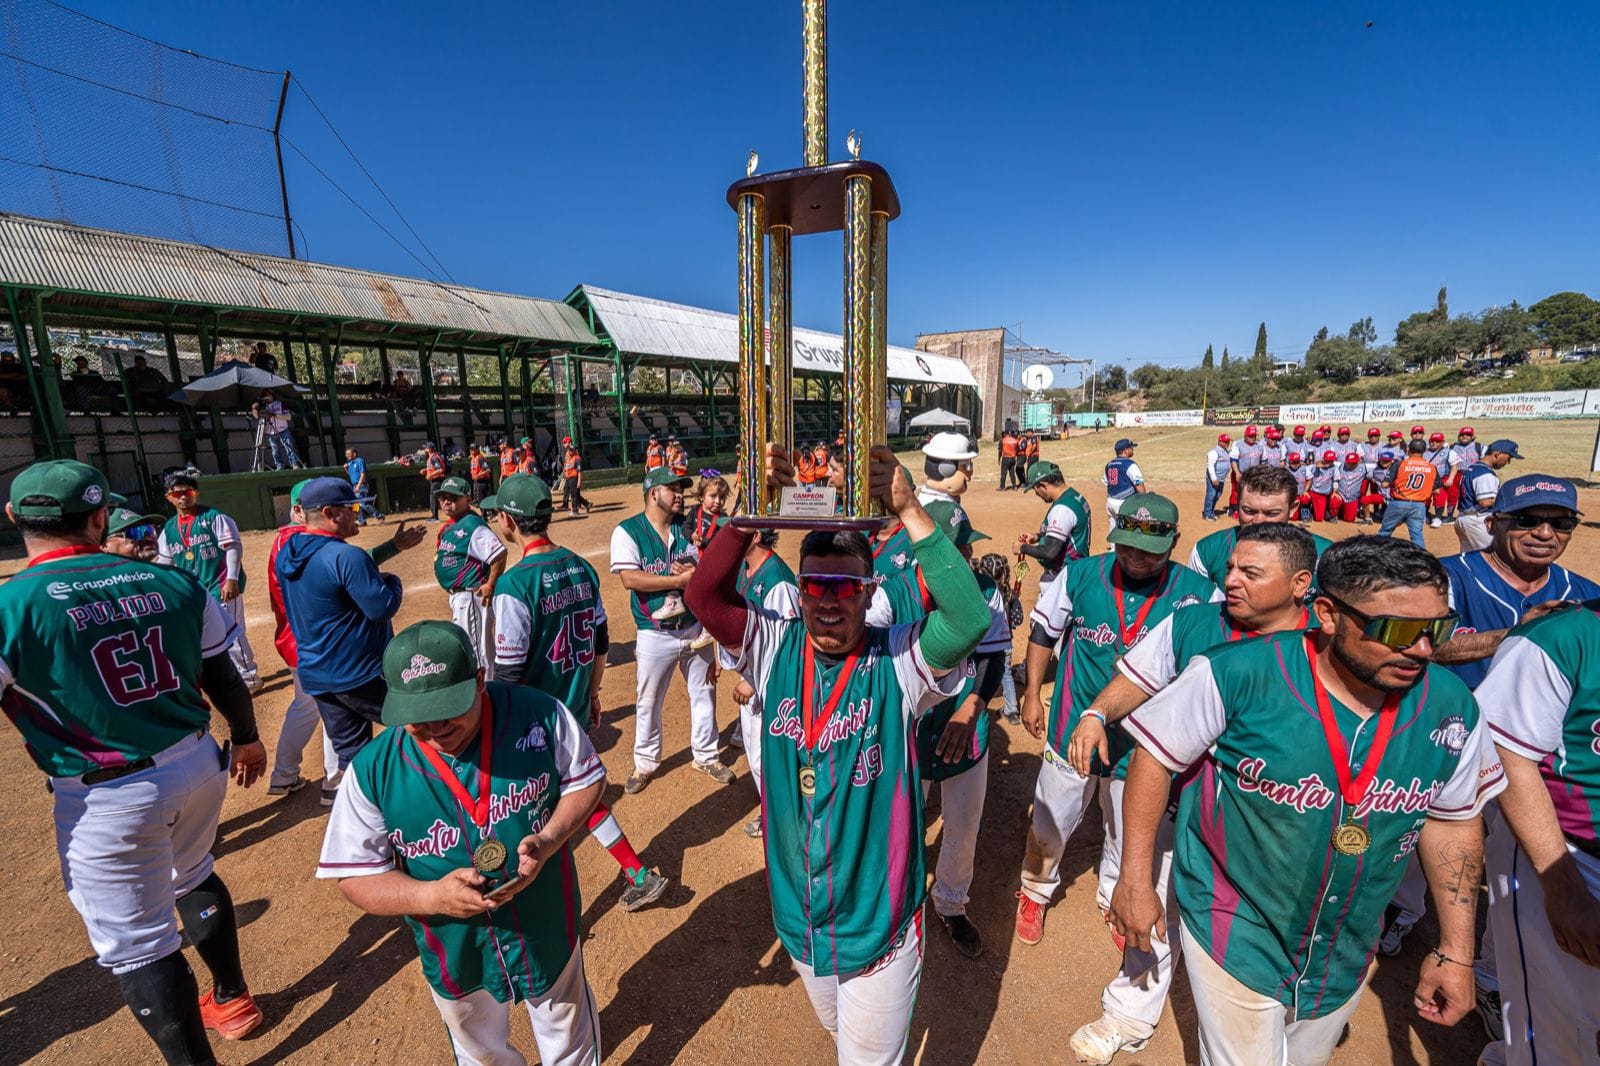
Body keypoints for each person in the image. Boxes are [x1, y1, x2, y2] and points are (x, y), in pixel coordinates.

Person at [1112, 537, 1505, 1066]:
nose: (1424, 650)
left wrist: (1457, 949)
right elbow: (1154, 758)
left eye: (1438, 629)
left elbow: (1454, 823)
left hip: (1347, 941)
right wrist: (1135, 880)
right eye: (1397, 630)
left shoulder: (1452, 706)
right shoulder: (1234, 673)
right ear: (1326, 613)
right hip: (1234, 921)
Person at [684, 444, 990, 1064]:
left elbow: (968, 619)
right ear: (798, 590)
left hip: (880, 921)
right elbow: (704, 599)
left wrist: (907, 507)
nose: (828, 600)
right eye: (815, 584)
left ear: (867, 592)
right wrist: (747, 519)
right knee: (843, 1035)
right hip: (800, 918)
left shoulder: (897, 657)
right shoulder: (774, 642)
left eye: (844, 587)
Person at [0, 459, 269, 1061]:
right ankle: (232, 997)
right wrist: (248, 736)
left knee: (141, 946)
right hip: (198, 764)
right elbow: (222, 672)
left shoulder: (11, 604)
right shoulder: (172, 581)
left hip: (106, 794)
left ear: (15, 516)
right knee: (194, 873)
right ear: (99, 517)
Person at [1061, 523, 1317, 1064]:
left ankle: (1297, 1013)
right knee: (1155, 904)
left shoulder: (1329, 640)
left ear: (1300, 584)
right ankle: (1128, 1011)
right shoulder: (1195, 622)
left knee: (1287, 922)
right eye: (1230, 570)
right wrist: (1095, 712)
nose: (1231, 582)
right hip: (1187, 806)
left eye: (1251, 573)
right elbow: (1138, 677)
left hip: (1283, 823)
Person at [317, 621, 606, 1065]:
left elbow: (586, 778)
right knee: (481, 1053)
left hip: (545, 919)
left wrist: (549, 839)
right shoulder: (373, 769)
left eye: (449, 708)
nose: (435, 728)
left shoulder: (538, 713)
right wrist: (430, 895)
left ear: (478, 682)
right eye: (418, 717)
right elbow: (355, 875)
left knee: (566, 1035)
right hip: (453, 945)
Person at [1013, 493, 1221, 947]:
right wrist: (1031, 693)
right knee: (1050, 822)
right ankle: (1035, 889)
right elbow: (1044, 633)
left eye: (1149, 551)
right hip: (1073, 725)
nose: (1135, 558)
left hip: (1145, 744)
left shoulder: (1200, 595)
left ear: (1174, 542)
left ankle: (1112, 894)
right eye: (1126, 546)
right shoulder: (1082, 575)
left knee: (1126, 829)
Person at [488, 474, 671, 912]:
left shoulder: (515, 586)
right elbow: (602, 639)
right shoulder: (579, 567)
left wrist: (500, 727)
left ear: (511, 522)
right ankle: (636, 873)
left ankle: (628, 875)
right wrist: (591, 692)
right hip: (572, 706)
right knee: (574, 796)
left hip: (535, 718)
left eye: (498, 515)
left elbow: (508, 675)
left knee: (538, 803)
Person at [1473, 598, 1600, 1066]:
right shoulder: (1561, 639)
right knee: (1568, 1040)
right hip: (1570, 856)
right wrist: (1564, 889)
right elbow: (1507, 753)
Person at [277, 477, 425, 777]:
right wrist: (392, 581)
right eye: (353, 507)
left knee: (352, 757)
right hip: (360, 674)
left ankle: (357, 814)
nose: (358, 513)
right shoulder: (346, 555)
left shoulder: (288, 552)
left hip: (318, 675)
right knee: (423, 723)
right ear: (331, 513)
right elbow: (381, 607)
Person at [915, 501, 1011, 959]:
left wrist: (973, 706)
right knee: (903, 818)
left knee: (962, 825)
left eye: (966, 549)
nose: (966, 561)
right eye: (955, 551)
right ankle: (902, 896)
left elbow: (993, 658)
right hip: (911, 729)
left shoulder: (985, 589)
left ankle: (951, 903)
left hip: (966, 727)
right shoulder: (898, 591)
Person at [610, 466, 725, 792]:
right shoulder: (628, 531)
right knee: (648, 700)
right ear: (652, 493)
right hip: (654, 630)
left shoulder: (690, 530)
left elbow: (709, 574)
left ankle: (706, 754)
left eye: (682, 489)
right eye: (672, 489)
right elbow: (630, 579)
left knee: (705, 692)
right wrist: (678, 580)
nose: (680, 494)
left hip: (693, 626)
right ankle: (645, 763)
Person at [265, 479, 344, 803]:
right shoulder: (302, 542)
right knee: (334, 706)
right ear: (299, 510)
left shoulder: (283, 541)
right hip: (314, 641)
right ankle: (335, 783)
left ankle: (284, 774)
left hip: (293, 641)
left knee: (305, 706)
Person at [722, 527, 800, 837]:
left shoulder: (778, 580)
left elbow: (789, 639)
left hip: (770, 683)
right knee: (757, 755)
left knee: (771, 755)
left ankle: (787, 822)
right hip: (754, 676)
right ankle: (775, 814)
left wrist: (753, 682)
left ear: (754, 536)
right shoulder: (745, 567)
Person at [157, 471, 260, 692]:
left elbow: (232, 547)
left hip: (220, 584)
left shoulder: (214, 517)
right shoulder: (169, 528)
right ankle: (232, 675)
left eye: (188, 492)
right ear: (168, 497)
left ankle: (249, 678)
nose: (183, 497)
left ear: (196, 493)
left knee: (230, 632)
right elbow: (165, 561)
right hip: (194, 592)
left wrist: (231, 578)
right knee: (208, 636)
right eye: (177, 494)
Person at [1187, 464, 1332, 590]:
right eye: (1249, 511)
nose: (1259, 521)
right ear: (1237, 505)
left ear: (1293, 509)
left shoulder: (1326, 555)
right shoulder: (1207, 552)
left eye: (1272, 513)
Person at [435, 477, 508, 675]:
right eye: (442, 497)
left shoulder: (472, 525)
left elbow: (499, 554)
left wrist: (491, 584)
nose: (446, 501)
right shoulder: (452, 525)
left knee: (479, 653)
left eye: (452, 497)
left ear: (467, 500)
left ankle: (488, 696)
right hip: (460, 597)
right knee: (470, 648)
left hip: (471, 596)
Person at [1016, 459, 1091, 585]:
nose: (1036, 493)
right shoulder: (1074, 496)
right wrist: (1037, 537)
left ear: (1044, 485)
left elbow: (1049, 552)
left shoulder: (1062, 509)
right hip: (1076, 572)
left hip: (1064, 579)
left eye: (1035, 489)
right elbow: (1065, 534)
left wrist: (1022, 547)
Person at [1456, 438, 1523, 552]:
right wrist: (1509, 499)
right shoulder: (1484, 474)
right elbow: (1485, 501)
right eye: (1509, 458)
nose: (1508, 463)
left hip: (1465, 519)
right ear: (1498, 454)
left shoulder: (1472, 468)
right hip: (1477, 522)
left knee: (1469, 560)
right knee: (1491, 556)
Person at [1379, 438, 1439, 543]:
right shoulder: (1432, 467)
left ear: (1408, 450)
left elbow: (1384, 484)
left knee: (1385, 532)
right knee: (1416, 535)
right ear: (1424, 451)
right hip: (1419, 506)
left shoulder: (1400, 464)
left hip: (1399, 503)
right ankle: (1421, 558)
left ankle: (1375, 556)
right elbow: (1437, 491)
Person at [918, 431, 977, 505]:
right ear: (946, 469)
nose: (968, 477)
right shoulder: (947, 510)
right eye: (967, 466)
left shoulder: (926, 499)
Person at [1103, 438, 1146, 523]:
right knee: (1128, 532)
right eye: (1131, 447)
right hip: (1124, 504)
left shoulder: (1109, 465)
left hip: (1110, 503)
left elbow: (1107, 483)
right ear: (1125, 450)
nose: (1132, 449)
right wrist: (1144, 502)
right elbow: (1139, 486)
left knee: (1113, 532)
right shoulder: (1130, 465)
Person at [684, 471, 730, 550]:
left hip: (711, 555)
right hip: (692, 552)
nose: (718, 501)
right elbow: (685, 527)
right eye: (713, 496)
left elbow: (722, 540)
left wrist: (704, 542)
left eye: (722, 497)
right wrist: (691, 535)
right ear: (702, 496)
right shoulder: (694, 510)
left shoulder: (723, 519)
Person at [259, 389, 302, 470]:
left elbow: (288, 417)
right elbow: (261, 420)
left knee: (289, 447)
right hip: (271, 431)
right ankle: (279, 466)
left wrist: (274, 415)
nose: (267, 397)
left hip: (283, 429)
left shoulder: (281, 404)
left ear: (273, 396)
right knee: (275, 450)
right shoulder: (263, 408)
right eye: (265, 396)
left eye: (269, 395)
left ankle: (294, 464)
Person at [1446, 426, 1483, 519]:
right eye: (1462, 435)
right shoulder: (1453, 446)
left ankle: (1470, 514)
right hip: (1457, 473)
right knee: (1452, 494)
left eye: (1468, 435)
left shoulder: (1479, 446)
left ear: (1472, 436)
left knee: (1470, 494)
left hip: (1473, 474)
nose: (1464, 436)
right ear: (1458, 436)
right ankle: (1450, 516)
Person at [1228, 426, 1265, 515]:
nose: (1253, 438)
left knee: (1252, 492)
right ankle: (1234, 509)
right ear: (1245, 436)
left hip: (1254, 474)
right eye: (1251, 436)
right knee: (1237, 492)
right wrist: (1237, 473)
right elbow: (1233, 460)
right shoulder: (1238, 445)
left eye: (1254, 436)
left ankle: (1249, 509)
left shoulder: (1260, 447)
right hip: (1241, 472)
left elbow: (1264, 461)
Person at [1424, 431, 1458, 527]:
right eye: (1432, 441)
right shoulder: (1425, 452)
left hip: (1441, 478)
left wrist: (1451, 479)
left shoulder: (1449, 452)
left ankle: (1438, 517)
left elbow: (1454, 466)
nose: (1434, 443)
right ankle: (1424, 515)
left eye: (1437, 441)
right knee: (1425, 498)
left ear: (1442, 442)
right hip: (1427, 478)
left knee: (1439, 498)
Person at [343, 447, 384, 525]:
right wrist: (346, 469)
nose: (346, 455)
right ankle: (362, 521)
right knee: (355, 504)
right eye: (346, 454)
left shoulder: (360, 461)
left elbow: (363, 474)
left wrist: (359, 486)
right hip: (354, 486)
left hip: (361, 485)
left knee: (362, 504)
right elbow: (352, 475)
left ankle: (379, 516)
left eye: (348, 454)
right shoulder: (350, 464)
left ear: (354, 454)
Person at [1331, 451, 1371, 524]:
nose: (1351, 465)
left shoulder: (1364, 467)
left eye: (1354, 463)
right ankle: (1334, 515)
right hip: (1340, 494)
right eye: (1349, 462)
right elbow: (1328, 463)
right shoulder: (1340, 466)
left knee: (1349, 519)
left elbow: (1378, 468)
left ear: (1358, 461)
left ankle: (1343, 511)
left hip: (1353, 497)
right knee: (1334, 500)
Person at [1202, 434, 1233, 520]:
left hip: (1221, 479)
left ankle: (1211, 511)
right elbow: (1210, 466)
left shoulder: (1226, 451)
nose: (1228, 443)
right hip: (1215, 479)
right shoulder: (1213, 452)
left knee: (1218, 495)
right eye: (1226, 442)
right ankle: (1207, 513)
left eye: (1228, 441)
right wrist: (1214, 479)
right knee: (1211, 495)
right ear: (1219, 442)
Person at [1304, 449, 1338, 522]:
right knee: (1304, 498)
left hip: (1322, 495)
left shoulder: (1334, 468)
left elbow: (1336, 481)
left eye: (1332, 460)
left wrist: (1335, 491)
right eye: (1328, 460)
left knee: (1319, 519)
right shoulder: (1314, 466)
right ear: (1324, 458)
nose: (1330, 462)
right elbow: (1303, 471)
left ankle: (1323, 511)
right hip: (1312, 491)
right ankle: (1307, 512)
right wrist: (1316, 466)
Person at [560, 438, 591, 516]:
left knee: (574, 495)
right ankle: (587, 504)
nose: (571, 451)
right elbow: (566, 465)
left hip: (574, 477)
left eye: (572, 450)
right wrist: (564, 473)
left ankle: (575, 510)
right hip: (568, 477)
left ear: (575, 450)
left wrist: (579, 481)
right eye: (570, 450)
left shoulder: (577, 458)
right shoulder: (568, 456)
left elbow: (579, 471)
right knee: (575, 494)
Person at [421, 441, 448, 521]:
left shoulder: (434, 457)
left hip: (437, 480)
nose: (425, 449)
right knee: (434, 497)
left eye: (426, 447)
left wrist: (430, 475)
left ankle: (435, 517)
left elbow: (440, 470)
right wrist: (426, 470)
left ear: (429, 449)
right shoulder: (431, 457)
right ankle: (434, 516)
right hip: (435, 480)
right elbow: (433, 468)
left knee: (434, 497)